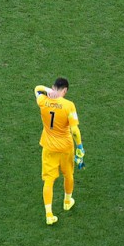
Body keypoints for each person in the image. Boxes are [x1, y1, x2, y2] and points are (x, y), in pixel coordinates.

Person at [34, 78, 84, 225]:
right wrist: (80, 146)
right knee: (68, 174)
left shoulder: (43, 101)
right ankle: (67, 201)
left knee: (48, 180)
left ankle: (49, 214)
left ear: (52, 87)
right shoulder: (69, 106)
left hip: (49, 147)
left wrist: (47, 91)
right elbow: (74, 129)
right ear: (65, 90)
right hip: (65, 147)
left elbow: (36, 89)